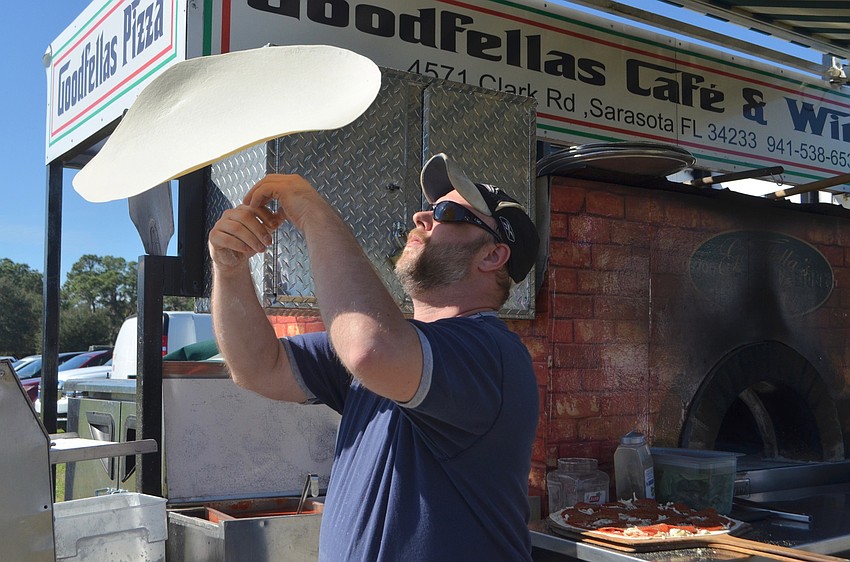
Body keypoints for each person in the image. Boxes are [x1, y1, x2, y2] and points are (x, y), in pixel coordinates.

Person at [208, 153, 540, 560]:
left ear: (492, 256)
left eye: (447, 212)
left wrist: (313, 212)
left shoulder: (494, 354)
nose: (422, 217)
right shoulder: (401, 345)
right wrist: (229, 269)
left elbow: (369, 349)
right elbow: (260, 367)